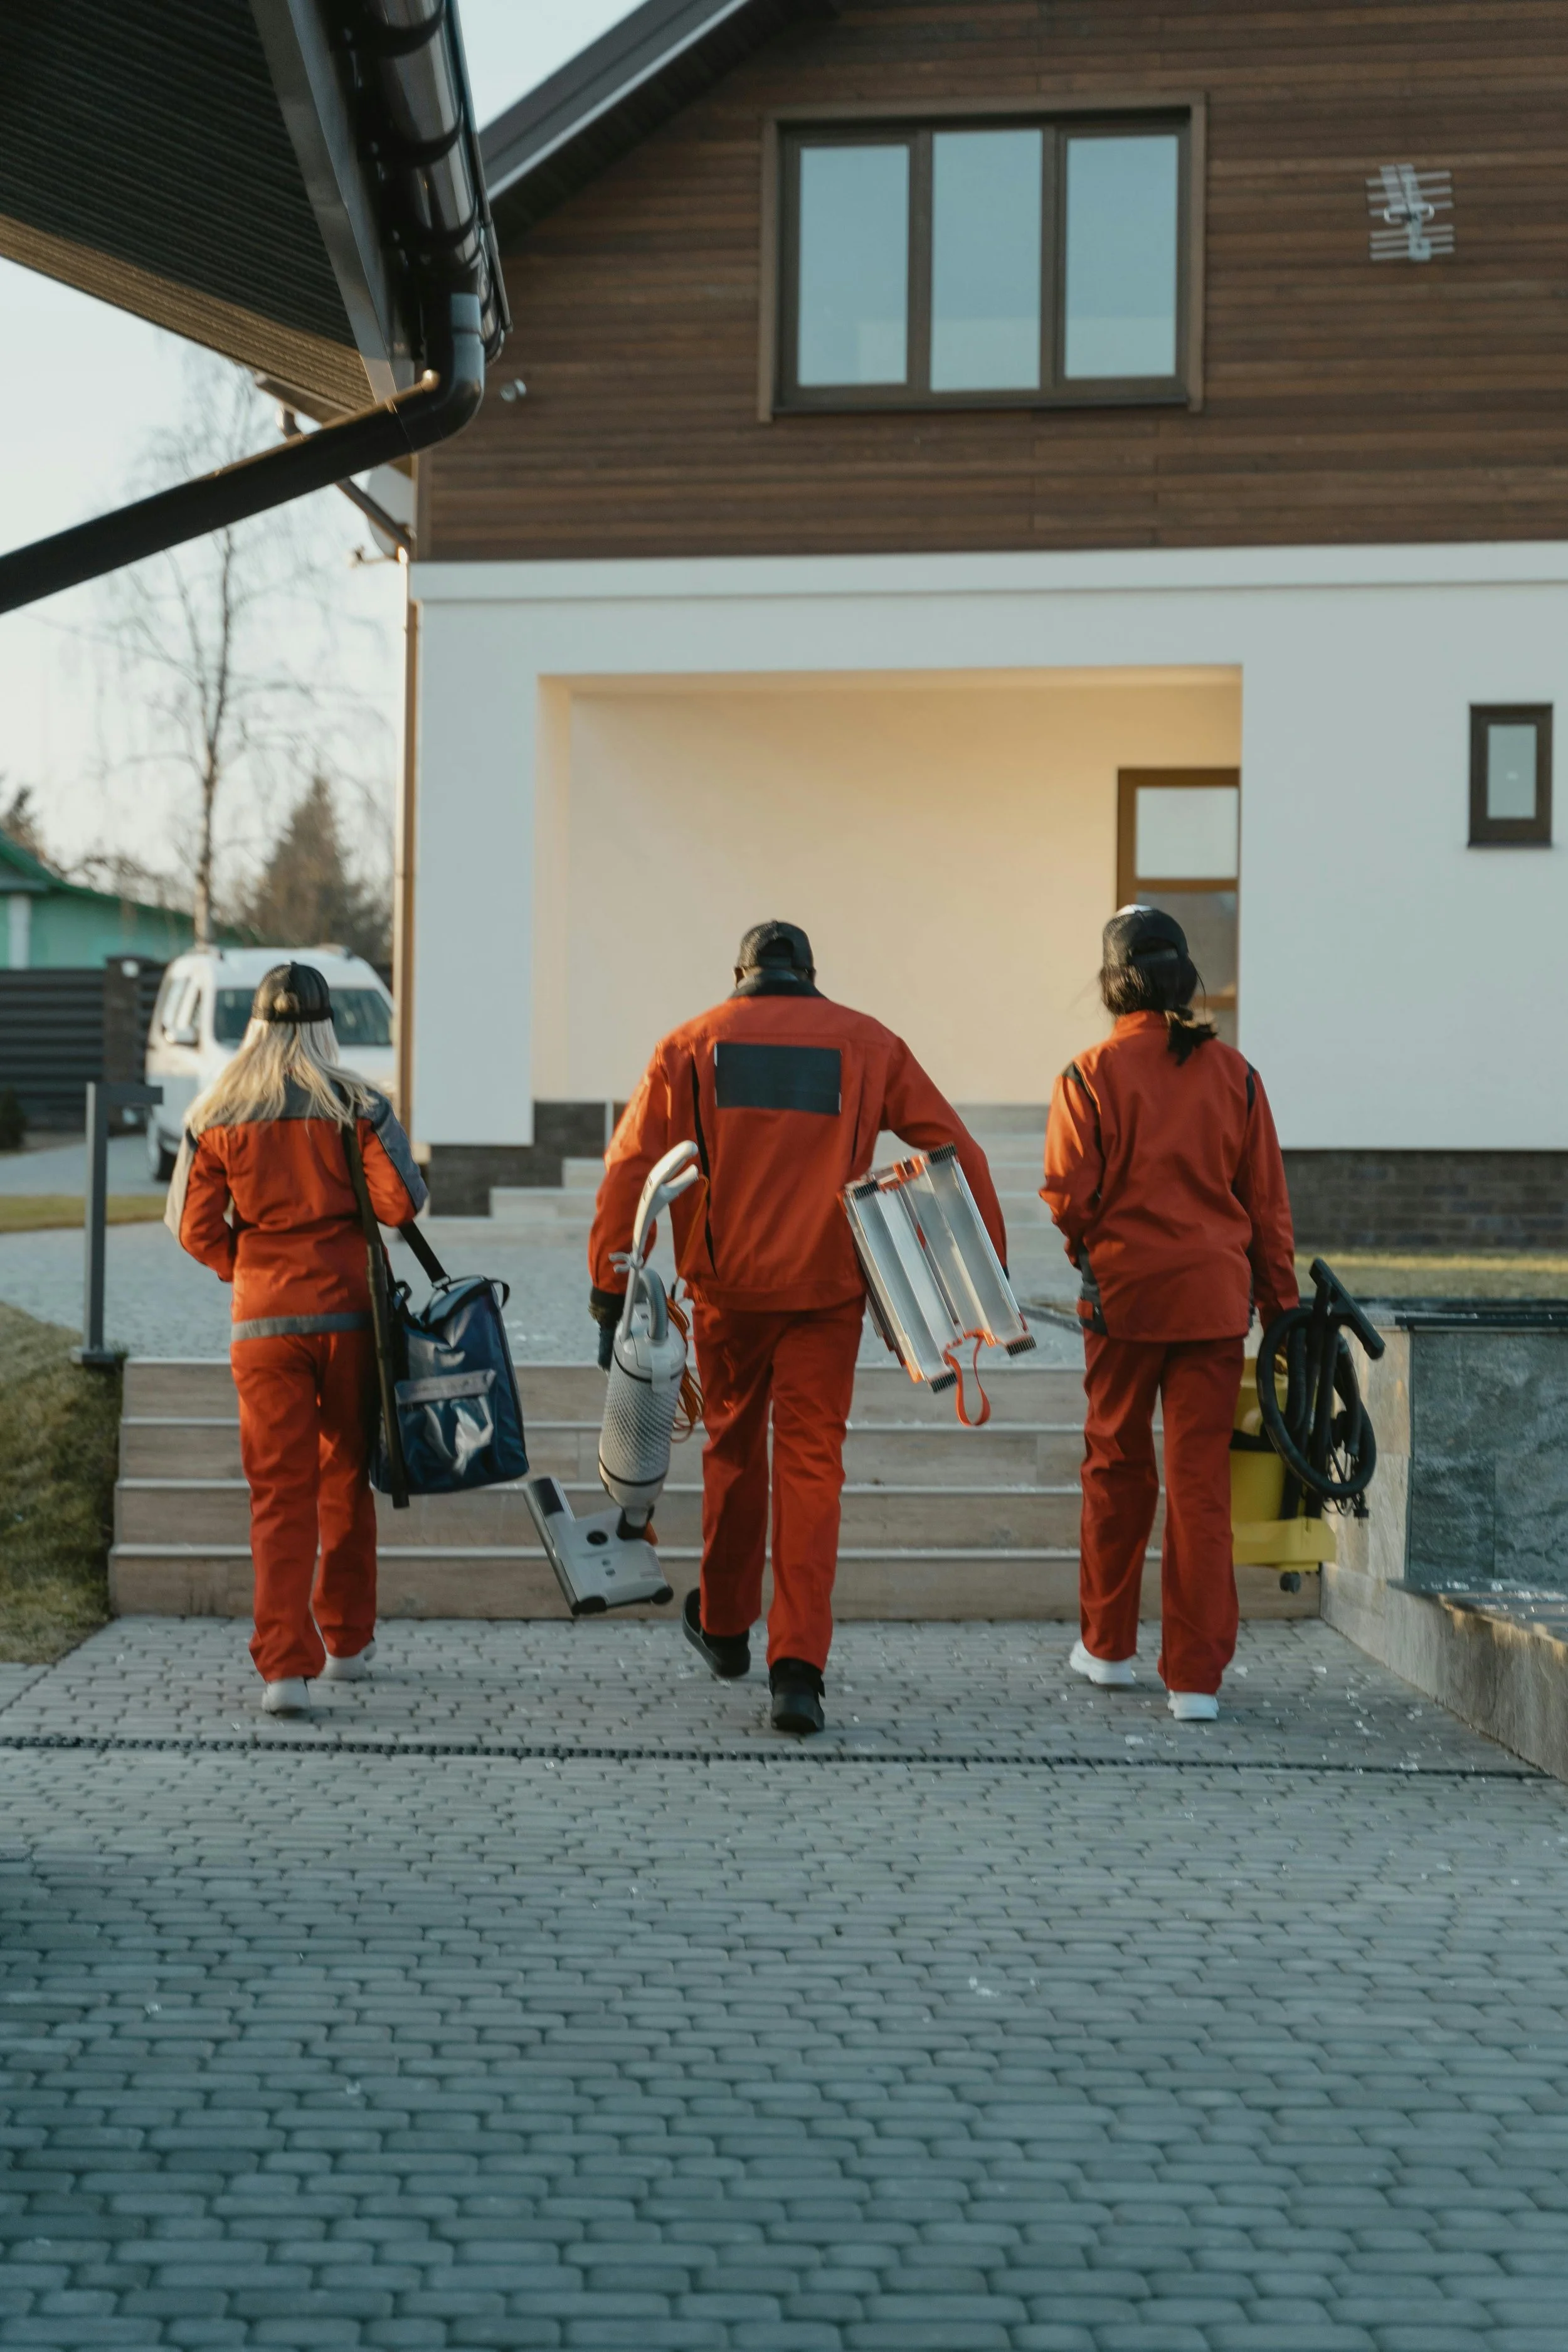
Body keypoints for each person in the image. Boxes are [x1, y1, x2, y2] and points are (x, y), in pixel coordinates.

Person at [588, 919, 1005, 1735]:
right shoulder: (868, 1041)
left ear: (740, 973)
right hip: (827, 1292)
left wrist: (609, 1287)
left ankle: (726, 1624)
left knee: (733, 1449)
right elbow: (958, 1149)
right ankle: (799, 1669)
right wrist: (984, 1283)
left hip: (729, 1292)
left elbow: (631, 1164)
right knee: (813, 1464)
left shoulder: (691, 1043)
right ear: (810, 973)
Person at [1042, 907, 1297, 1722]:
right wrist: (1281, 1307)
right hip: (1216, 1305)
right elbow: (1269, 1209)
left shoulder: (1087, 1075)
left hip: (1123, 1300)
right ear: (1183, 978)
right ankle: (1195, 1680)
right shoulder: (1238, 1075)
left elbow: (1066, 1198)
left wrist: (1095, 1247)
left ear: (1115, 985)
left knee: (1116, 1470)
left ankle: (1108, 1648)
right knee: (1198, 1489)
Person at [166, 961, 426, 1715]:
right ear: (324, 1025)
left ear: (254, 1024)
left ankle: (283, 1668)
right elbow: (401, 1203)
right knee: (346, 1476)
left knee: (278, 1495)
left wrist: (241, 1268)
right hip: (350, 1317)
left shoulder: (215, 1111)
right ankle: (345, 1641)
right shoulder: (359, 1103)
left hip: (263, 1321)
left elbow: (192, 1228)